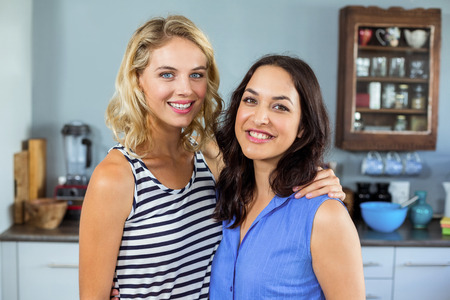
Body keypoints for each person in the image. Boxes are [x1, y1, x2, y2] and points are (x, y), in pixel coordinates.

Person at [79, 15, 346, 300]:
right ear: (138, 80)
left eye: (197, 74)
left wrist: (319, 178)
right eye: (166, 74)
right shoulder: (117, 177)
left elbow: (267, 183)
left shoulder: (210, 161)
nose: (185, 89)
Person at [209, 55, 365, 299]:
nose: (260, 118)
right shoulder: (226, 193)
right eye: (250, 100)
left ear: (303, 126)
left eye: (280, 107)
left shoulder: (324, 216)